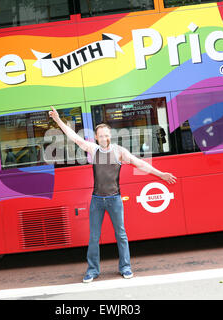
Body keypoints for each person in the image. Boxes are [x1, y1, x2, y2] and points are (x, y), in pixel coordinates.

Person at [49, 106, 177, 283]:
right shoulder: (93, 150)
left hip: (115, 199)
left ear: (111, 136)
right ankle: (92, 271)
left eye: (107, 135)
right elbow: (74, 137)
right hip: (97, 201)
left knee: (121, 235)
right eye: (101, 136)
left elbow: (140, 164)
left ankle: (125, 268)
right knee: (94, 237)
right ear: (96, 137)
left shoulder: (119, 152)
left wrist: (161, 174)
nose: (105, 138)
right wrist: (57, 120)